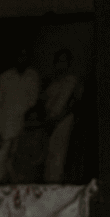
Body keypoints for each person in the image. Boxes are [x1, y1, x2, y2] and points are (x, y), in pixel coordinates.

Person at [0, 49, 40, 184]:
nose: (22, 58)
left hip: (24, 128)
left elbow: (33, 103)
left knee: (19, 164)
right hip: (5, 126)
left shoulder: (33, 76)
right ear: (15, 58)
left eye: (25, 55)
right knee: (1, 162)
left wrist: (31, 128)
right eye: (20, 56)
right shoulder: (5, 77)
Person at [40, 48, 84, 183]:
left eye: (64, 61)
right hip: (49, 123)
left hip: (65, 121)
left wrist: (58, 119)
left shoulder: (72, 81)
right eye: (59, 61)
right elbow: (43, 104)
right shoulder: (51, 84)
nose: (61, 64)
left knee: (60, 156)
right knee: (48, 155)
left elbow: (74, 103)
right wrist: (48, 120)